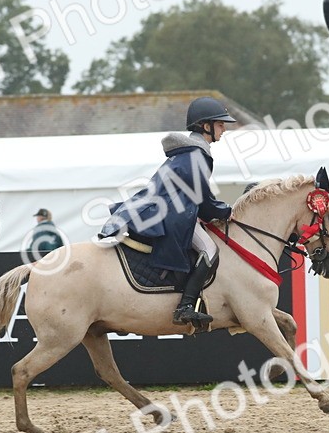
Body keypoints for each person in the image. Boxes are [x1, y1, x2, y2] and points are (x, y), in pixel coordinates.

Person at [99, 96, 236, 329]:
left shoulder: (188, 152)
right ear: (206, 126)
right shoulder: (196, 154)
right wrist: (224, 211)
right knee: (210, 250)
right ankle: (186, 305)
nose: (224, 130)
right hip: (171, 215)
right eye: (220, 124)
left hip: (167, 210)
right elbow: (202, 198)